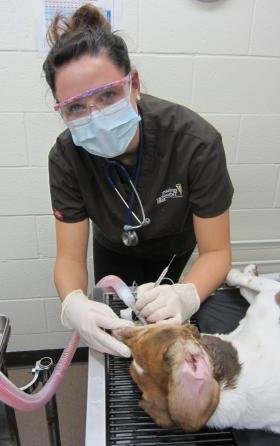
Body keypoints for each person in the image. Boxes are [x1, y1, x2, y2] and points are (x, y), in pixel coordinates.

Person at [42, 3, 233, 358]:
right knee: (120, 333)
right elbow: (69, 258)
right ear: (61, 111)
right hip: (113, 248)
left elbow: (217, 252)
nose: (94, 116)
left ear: (134, 84)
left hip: (173, 249)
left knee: (164, 323)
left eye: (108, 95)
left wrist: (186, 293)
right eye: (75, 107)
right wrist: (73, 303)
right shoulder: (66, 157)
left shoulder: (195, 142)